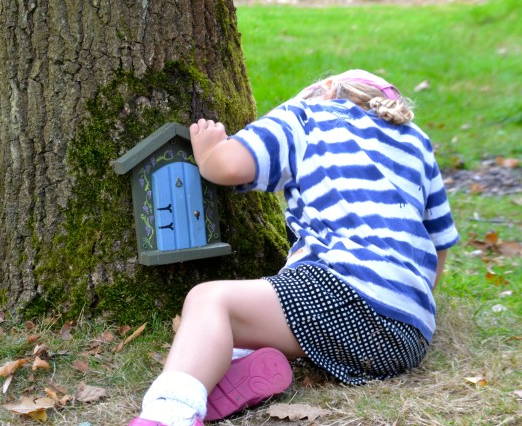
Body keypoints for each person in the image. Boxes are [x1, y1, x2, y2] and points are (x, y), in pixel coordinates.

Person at [128, 69, 460, 426]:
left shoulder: (306, 117)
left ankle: (168, 413)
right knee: (240, 323)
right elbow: (439, 244)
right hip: (408, 338)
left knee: (209, 301)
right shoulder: (416, 141)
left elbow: (230, 165)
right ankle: (233, 367)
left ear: (327, 88)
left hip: (345, 293)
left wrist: (209, 152)